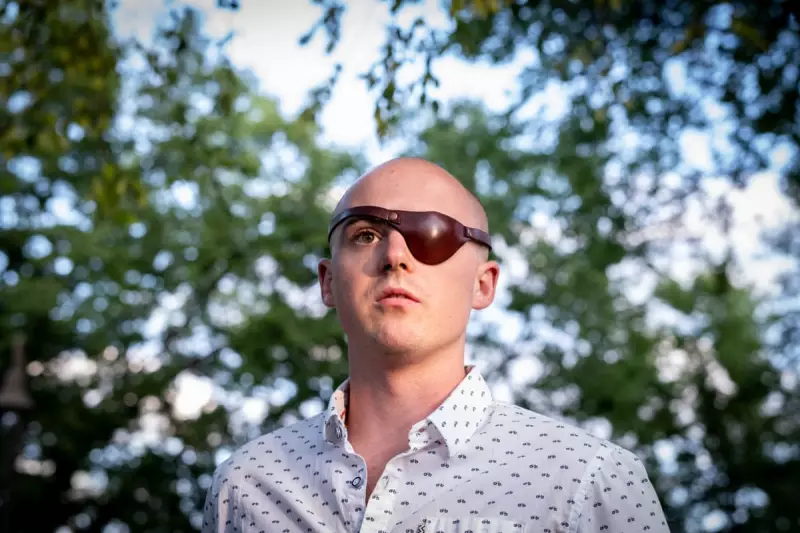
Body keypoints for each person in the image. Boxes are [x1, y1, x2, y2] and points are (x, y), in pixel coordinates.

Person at [201, 157, 670, 533]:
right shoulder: (244, 487)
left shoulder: (591, 481)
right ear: (328, 282)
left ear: (483, 284)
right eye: (365, 235)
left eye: (432, 234)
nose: (395, 256)